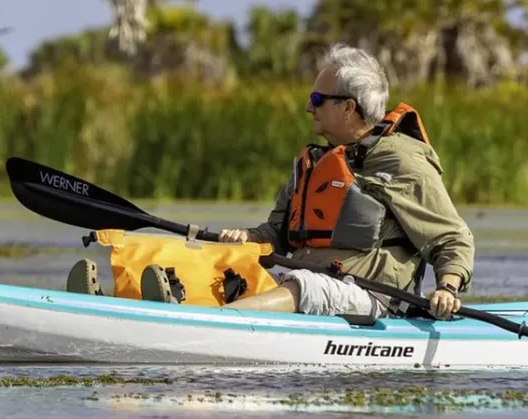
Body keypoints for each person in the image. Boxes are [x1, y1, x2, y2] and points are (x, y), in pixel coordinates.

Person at [69, 43, 475, 320]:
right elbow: (275, 234)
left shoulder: (401, 159)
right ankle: (122, 306)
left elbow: (451, 238)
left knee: (303, 286)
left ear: (348, 107)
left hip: (371, 296)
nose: (307, 107)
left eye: (318, 100)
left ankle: (214, 324)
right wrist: (244, 237)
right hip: (297, 276)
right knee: (213, 261)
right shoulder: (315, 161)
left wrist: (448, 287)